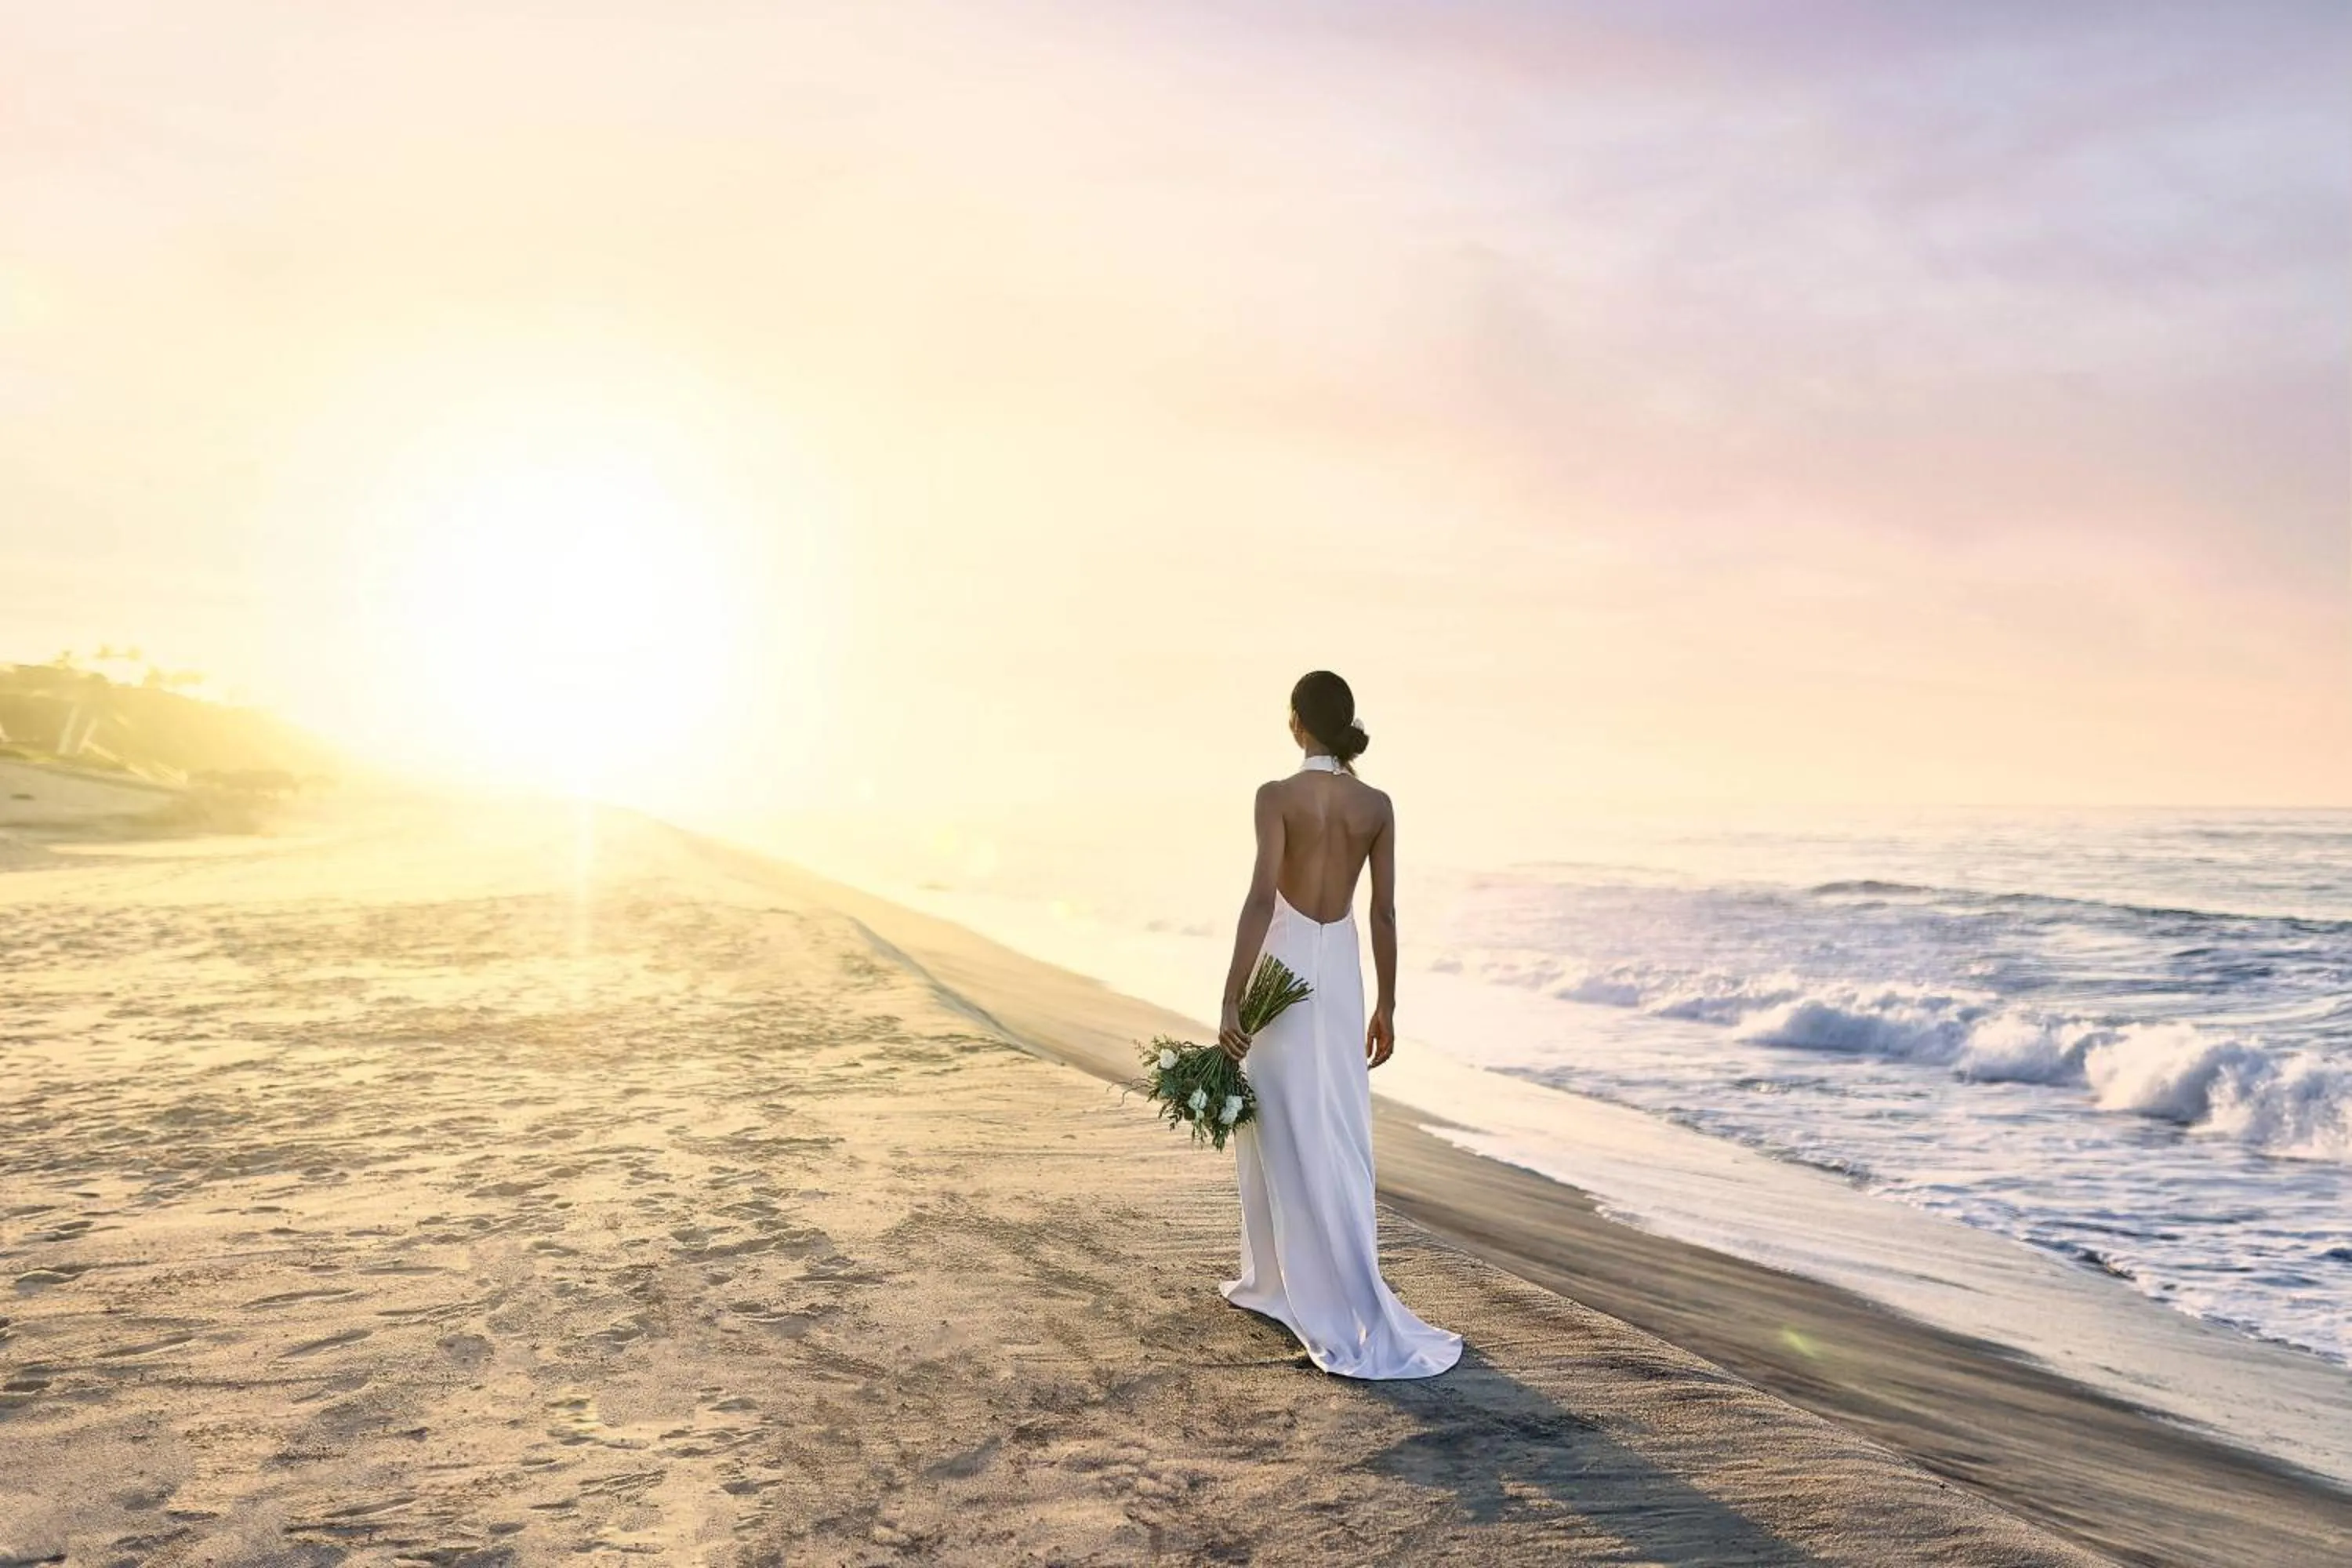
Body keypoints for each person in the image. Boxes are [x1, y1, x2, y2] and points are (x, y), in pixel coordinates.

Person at [1214, 670, 1461, 1378]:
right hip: (1343, 970)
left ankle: (1278, 1281)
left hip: (1283, 964)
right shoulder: (1376, 805)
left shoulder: (1276, 798)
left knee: (1275, 1115)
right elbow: (1383, 913)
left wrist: (1232, 997)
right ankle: (1326, 1275)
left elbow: (1262, 898)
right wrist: (1388, 1003)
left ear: (1298, 723)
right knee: (1339, 1124)